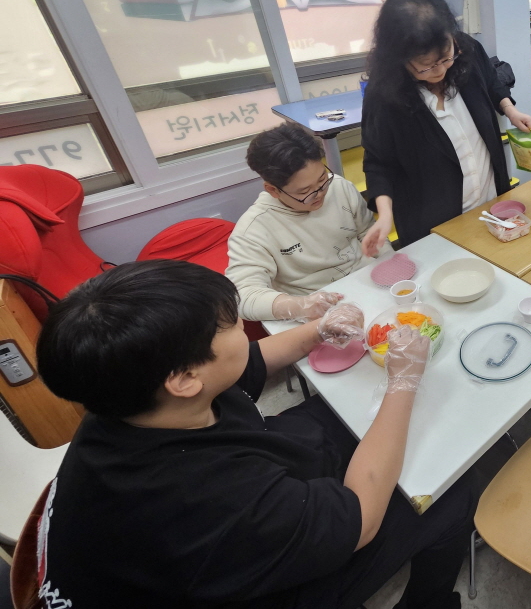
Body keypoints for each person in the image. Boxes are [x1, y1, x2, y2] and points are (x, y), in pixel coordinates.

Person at [34, 260, 476, 609]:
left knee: (335, 418)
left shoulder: (130, 396)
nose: (239, 331)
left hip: (202, 537)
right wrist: (404, 382)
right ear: (185, 379)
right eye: (228, 325)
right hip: (246, 587)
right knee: (443, 491)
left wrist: (316, 330)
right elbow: (361, 521)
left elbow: (249, 360)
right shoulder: (205, 500)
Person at [360, 0, 531, 251]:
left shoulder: (467, 51)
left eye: (445, 58)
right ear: (399, 58)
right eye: (427, 65)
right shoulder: (383, 96)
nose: (441, 70)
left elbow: (491, 82)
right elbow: (378, 162)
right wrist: (385, 214)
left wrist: (510, 110)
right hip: (434, 225)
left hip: (490, 207)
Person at [227, 122, 385, 322]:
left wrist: (388, 263)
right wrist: (300, 306)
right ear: (273, 190)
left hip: (367, 284)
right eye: (305, 191)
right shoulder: (254, 229)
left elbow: (368, 232)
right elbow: (242, 296)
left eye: (322, 179)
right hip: (316, 312)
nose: (320, 193)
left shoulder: (339, 187)